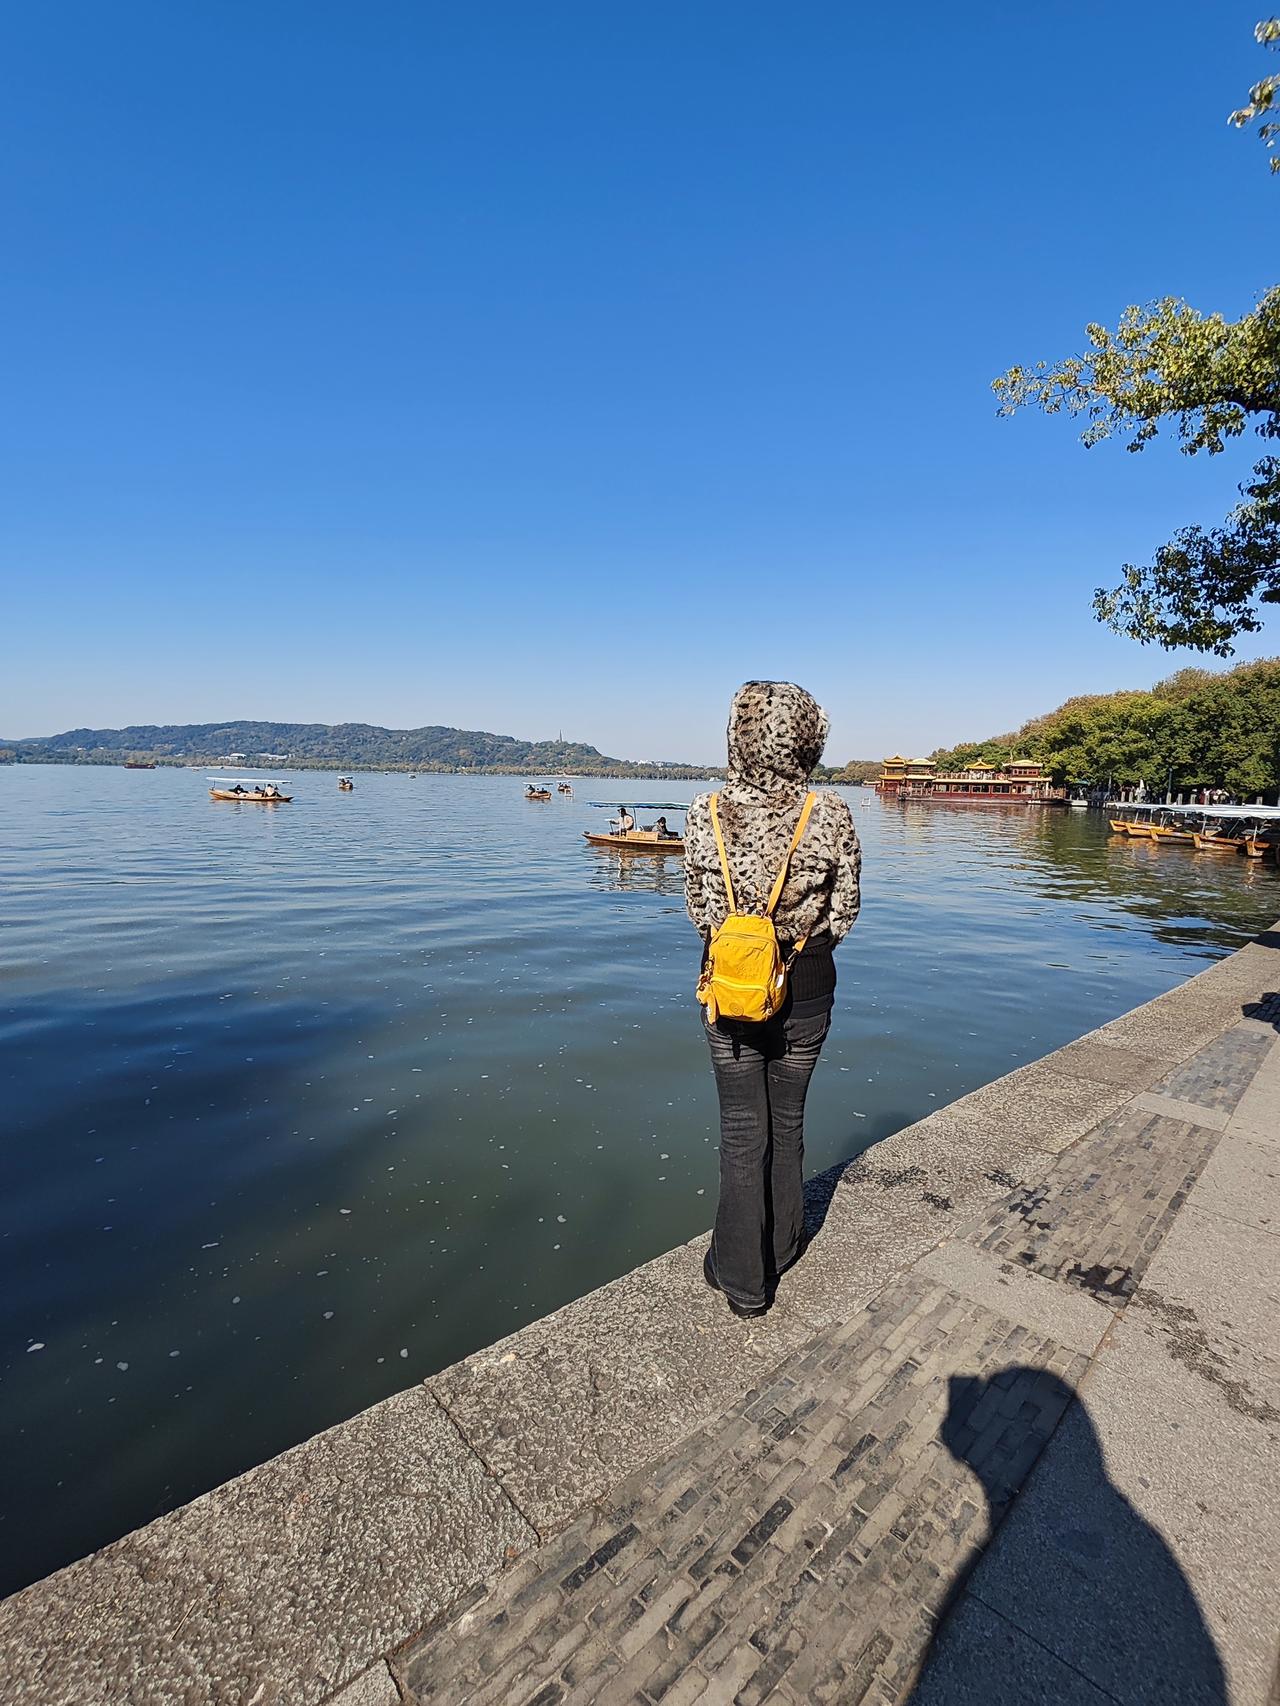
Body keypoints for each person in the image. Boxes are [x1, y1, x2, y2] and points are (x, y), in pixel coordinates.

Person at [684, 681, 861, 1318]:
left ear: (737, 734)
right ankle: (781, 1246)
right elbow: (845, 913)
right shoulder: (832, 812)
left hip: (731, 988)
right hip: (808, 988)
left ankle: (740, 1276)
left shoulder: (705, 811)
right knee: (787, 1124)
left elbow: (701, 911)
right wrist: (798, 945)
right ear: (809, 735)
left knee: (740, 1132)